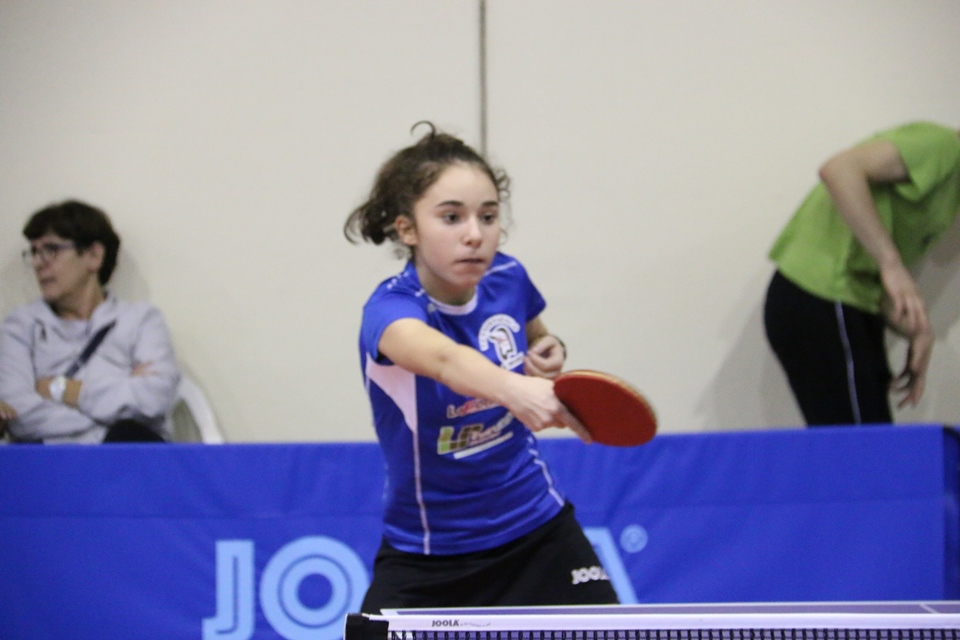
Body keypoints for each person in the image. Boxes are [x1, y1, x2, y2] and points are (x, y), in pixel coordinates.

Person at [344, 122, 619, 612]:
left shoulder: (508, 277)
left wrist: (549, 349)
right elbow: (446, 359)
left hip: (537, 530)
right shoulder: (389, 314)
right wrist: (515, 390)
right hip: (429, 555)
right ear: (407, 229)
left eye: (488, 216)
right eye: (451, 217)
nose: (475, 234)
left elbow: (537, 335)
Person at [764, 121, 960, 426]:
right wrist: (892, 264)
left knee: (868, 437)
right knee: (861, 443)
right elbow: (840, 170)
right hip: (818, 297)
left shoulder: (951, 189)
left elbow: (865, 269)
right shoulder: (943, 146)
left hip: (843, 303)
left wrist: (919, 330)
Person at [0, 200, 181, 443]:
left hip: (125, 453)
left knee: (128, 436)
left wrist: (59, 389)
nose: (38, 262)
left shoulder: (140, 321)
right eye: (34, 251)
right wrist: (109, 418)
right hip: (52, 459)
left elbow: (155, 399)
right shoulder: (20, 326)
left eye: (51, 249)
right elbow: (18, 414)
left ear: (94, 256)